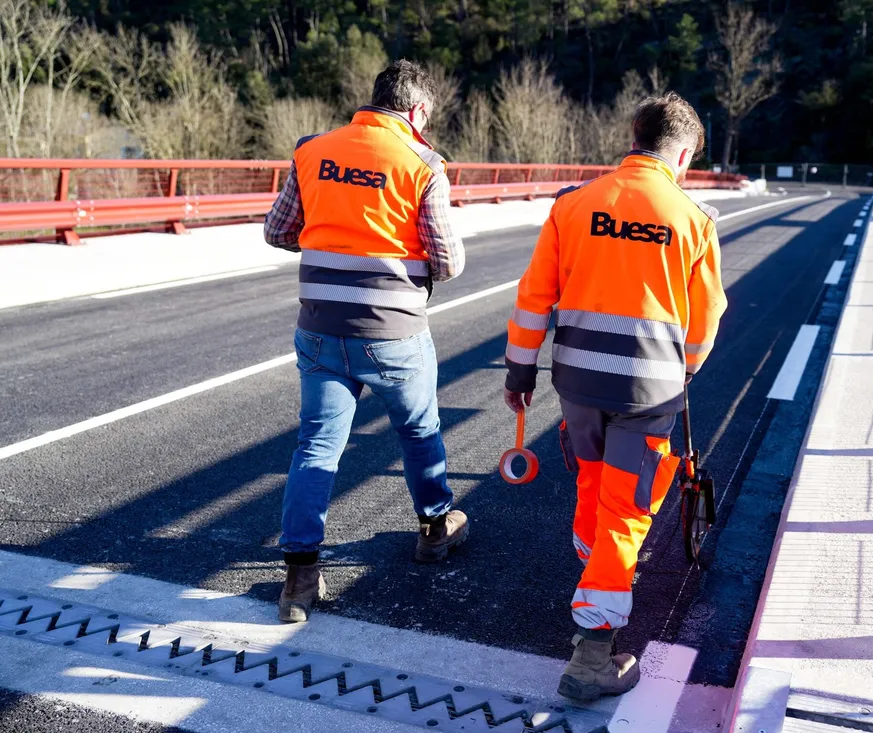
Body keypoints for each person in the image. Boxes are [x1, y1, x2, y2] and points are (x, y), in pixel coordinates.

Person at [502, 92, 727, 700]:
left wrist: (519, 373)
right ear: (681, 155)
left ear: (633, 137)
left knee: (591, 482)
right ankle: (593, 655)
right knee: (627, 511)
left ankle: (592, 574)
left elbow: (533, 297)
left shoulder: (573, 206)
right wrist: (684, 374)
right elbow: (706, 321)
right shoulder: (693, 220)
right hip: (648, 391)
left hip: (575, 383)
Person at [264, 59, 468, 624]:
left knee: (316, 445)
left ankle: (300, 579)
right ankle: (434, 528)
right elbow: (447, 261)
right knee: (418, 429)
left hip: (321, 328)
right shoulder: (424, 164)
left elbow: (279, 230)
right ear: (418, 110)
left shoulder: (312, 150)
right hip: (392, 332)